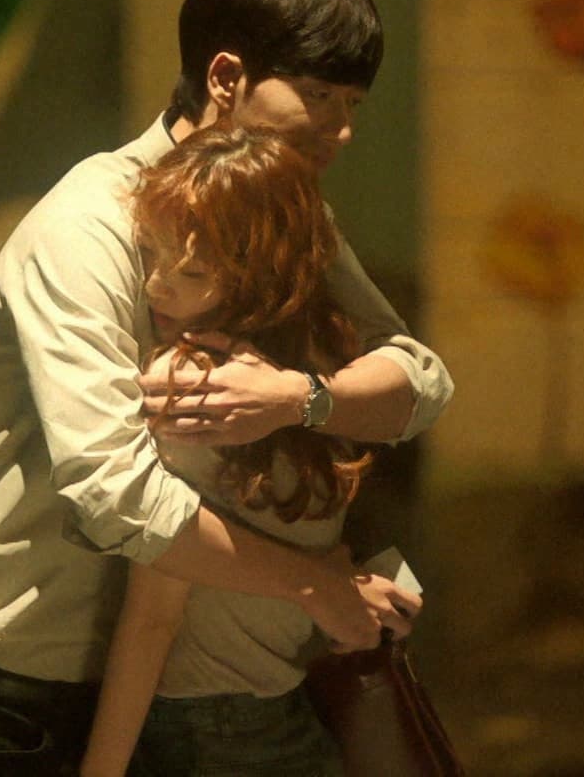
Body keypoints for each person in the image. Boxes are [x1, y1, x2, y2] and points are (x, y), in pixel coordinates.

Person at [0, 0, 453, 775]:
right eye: (317, 95)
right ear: (226, 77)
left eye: (352, 103)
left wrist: (300, 398)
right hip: (32, 676)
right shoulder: (89, 224)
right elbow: (115, 493)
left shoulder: (277, 210)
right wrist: (314, 585)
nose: (341, 129)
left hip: (178, 683)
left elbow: (417, 379)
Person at [81, 123, 383, 777]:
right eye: (150, 252)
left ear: (261, 274)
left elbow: (153, 619)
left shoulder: (212, 386)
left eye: (191, 270)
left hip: (240, 712)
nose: (156, 286)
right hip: (239, 708)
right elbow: (156, 613)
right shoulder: (315, 369)